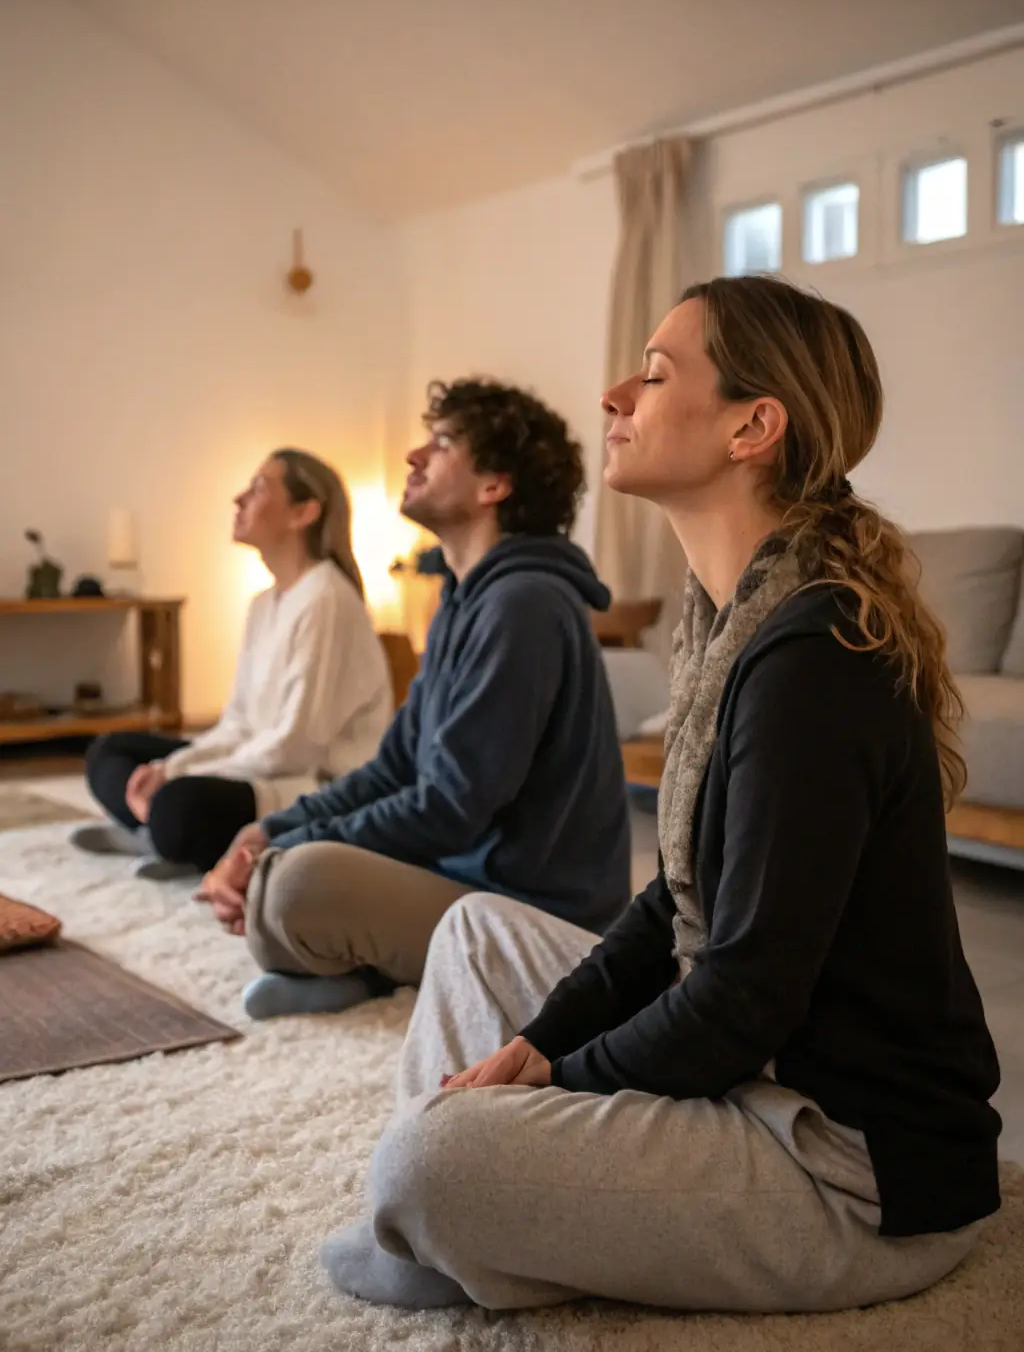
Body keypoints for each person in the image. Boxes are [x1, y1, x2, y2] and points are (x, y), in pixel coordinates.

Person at [320, 277, 1002, 1315]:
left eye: (651, 374)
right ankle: (476, 1224)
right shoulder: (727, 622)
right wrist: (537, 1045)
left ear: (752, 427)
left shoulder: (811, 659)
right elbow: (676, 904)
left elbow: (740, 999)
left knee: (428, 1161)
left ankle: (463, 1213)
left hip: (850, 1166)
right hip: (761, 1071)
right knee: (473, 937)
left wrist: (559, 1083)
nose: (613, 395)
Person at [198, 377, 630, 1021]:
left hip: (536, 916)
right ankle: (361, 961)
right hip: (468, 881)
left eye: (443, 443)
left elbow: (450, 809)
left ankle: (368, 964)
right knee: (280, 874)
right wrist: (270, 829)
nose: (413, 457)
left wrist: (286, 851)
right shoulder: (465, 600)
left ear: (494, 486)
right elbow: (395, 766)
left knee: (292, 886)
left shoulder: (524, 606)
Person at [71, 450, 392, 880]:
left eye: (259, 488)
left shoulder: (327, 599)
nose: (238, 499)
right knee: (109, 751)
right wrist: (171, 768)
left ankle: (157, 828)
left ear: (303, 512)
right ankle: (156, 830)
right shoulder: (263, 604)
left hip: (306, 784)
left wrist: (179, 774)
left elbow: (294, 747)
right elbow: (237, 722)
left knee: (178, 804)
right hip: (260, 762)